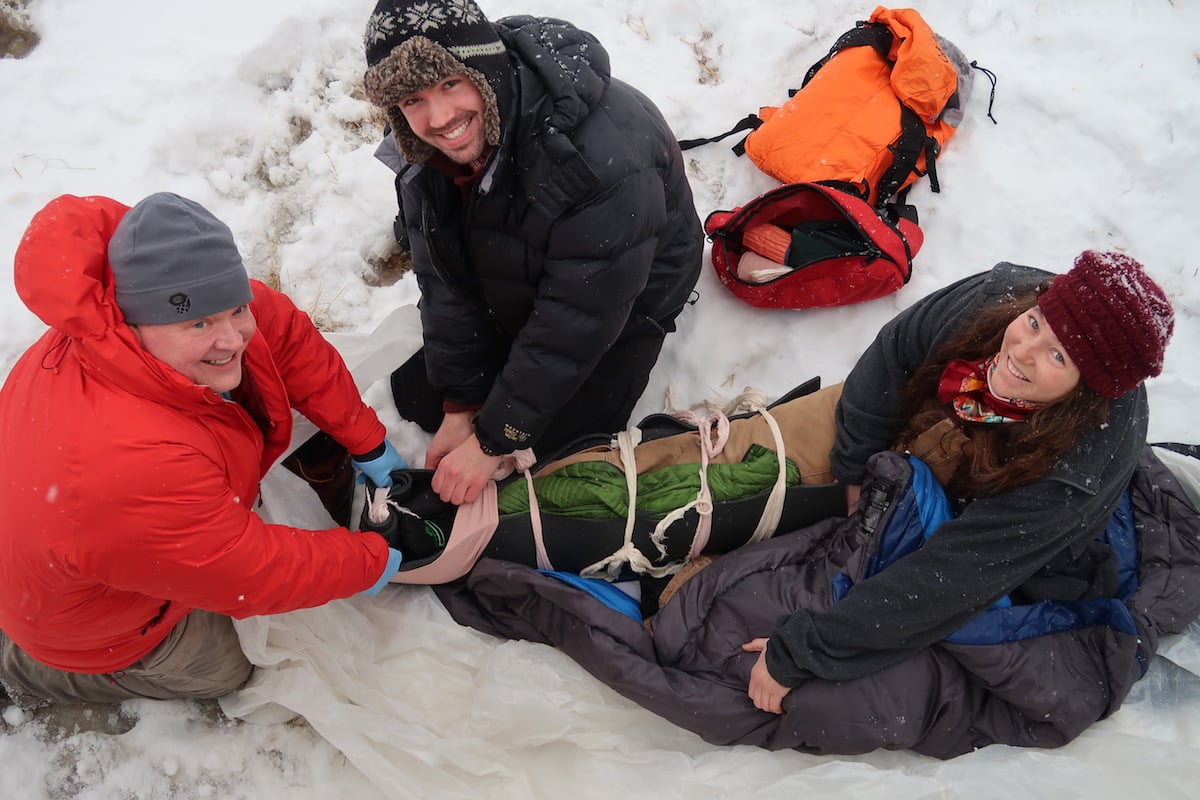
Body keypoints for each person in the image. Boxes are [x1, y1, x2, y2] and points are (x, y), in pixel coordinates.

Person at [0, 192, 411, 706]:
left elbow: (285, 335)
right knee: (223, 668)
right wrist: (372, 561)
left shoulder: (145, 315)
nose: (232, 338)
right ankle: (28, 670)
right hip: (77, 624)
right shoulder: (128, 462)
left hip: (67, 540)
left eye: (236, 309)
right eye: (199, 324)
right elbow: (250, 572)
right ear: (135, 323)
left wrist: (367, 440)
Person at [743, 250, 1176, 713]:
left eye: (1057, 356)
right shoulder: (992, 301)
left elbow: (955, 575)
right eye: (1035, 323)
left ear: (1083, 390)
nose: (1022, 352)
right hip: (916, 436)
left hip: (981, 524)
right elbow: (892, 354)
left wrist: (804, 652)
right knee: (731, 465)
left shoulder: (1075, 471)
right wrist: (853, 475)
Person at [360, 0, 704, 506]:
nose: (440, 118)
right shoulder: (424, 148)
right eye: (413, 99)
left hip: (623, 298)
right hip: (518, 257)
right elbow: (444, 275)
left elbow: (577, 319)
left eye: (451, 84)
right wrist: (461, 404)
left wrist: (495, 439)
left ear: (484, 68)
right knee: (422, 399)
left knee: (549, 464)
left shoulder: (600, 157)